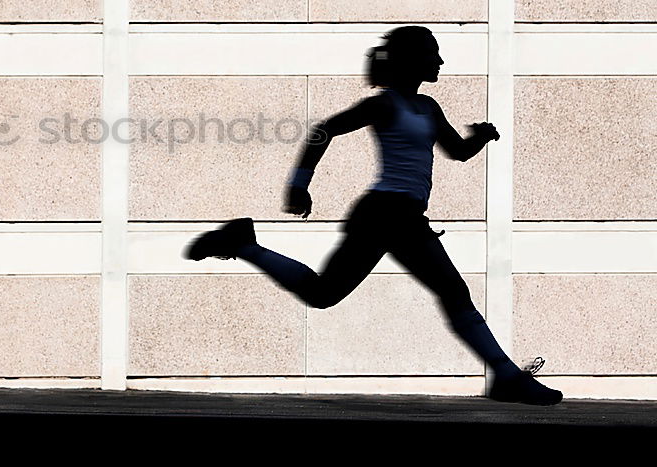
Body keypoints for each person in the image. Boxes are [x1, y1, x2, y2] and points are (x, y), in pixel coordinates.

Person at [184, 25, 562, 406]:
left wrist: (480, 137)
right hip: (386, 213)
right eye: (433, 53)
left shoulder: (428, 106)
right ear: (413, 60)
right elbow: (323, 130)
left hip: (402, 215)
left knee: (325, 293)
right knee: (448, 293)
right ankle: (506, 377)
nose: (441, 61)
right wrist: (299, 185)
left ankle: (245, 245)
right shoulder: (384, 104)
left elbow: (457, 152)